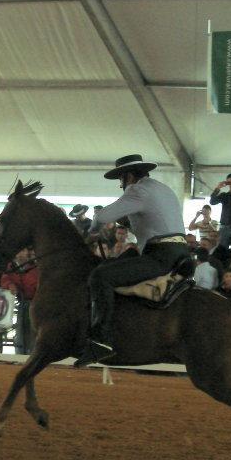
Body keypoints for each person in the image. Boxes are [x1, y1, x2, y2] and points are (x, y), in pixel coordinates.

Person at [76, 155, 189, 365]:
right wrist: (128, 222)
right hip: (178, 252)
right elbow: (156, 222)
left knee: (100, 276)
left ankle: (101, 340)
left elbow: (101, 217)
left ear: (128, 176)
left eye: (121, 179)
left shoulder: (137, 190)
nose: (121, 185)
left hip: (159, 255)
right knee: (115, 262)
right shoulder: (162, 189)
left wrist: (93, 231)